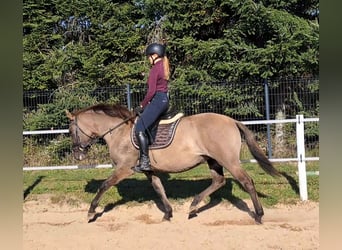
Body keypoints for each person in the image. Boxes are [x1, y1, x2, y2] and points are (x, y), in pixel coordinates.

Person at [133, 43, 170, 173]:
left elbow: (151, 91)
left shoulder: (156, 68)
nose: (149, 59)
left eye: (149, 57)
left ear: (155, 55)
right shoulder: (163, 66)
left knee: (139, 128)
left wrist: (142, 105)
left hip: (158, 100)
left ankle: (144, 162)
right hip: (164, 100)